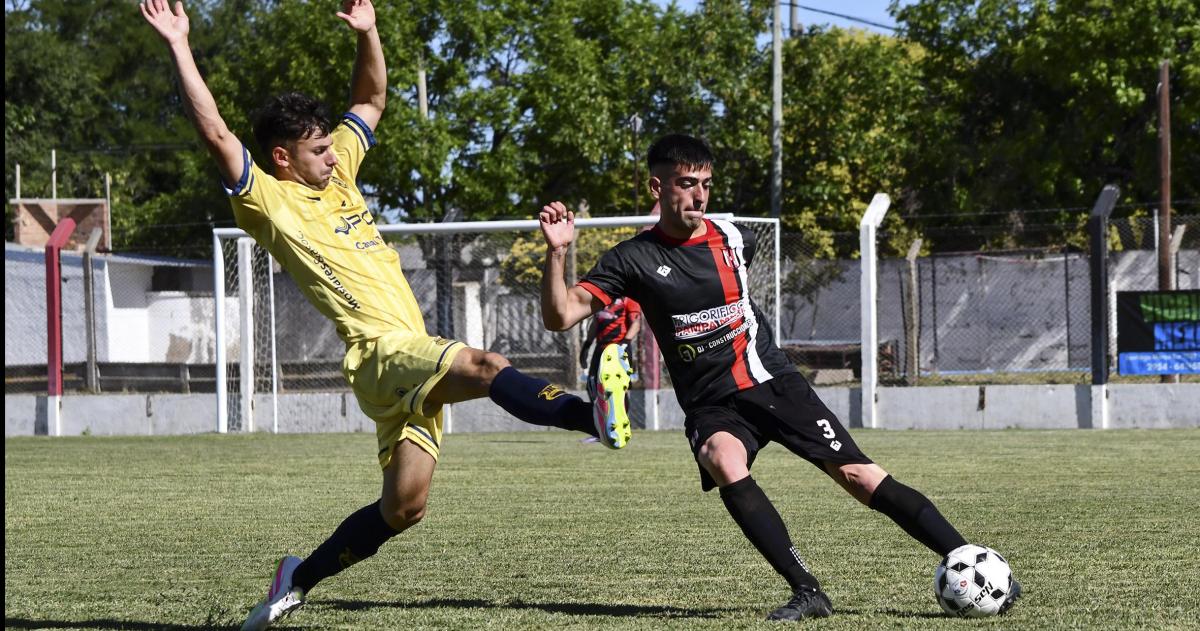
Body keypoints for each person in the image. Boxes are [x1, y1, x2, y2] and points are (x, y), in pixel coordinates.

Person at [139, 2, 628, 629]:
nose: (334, 157)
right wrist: (180, 43)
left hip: (409, 355)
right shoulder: (268, 199)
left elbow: (370, 101)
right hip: (379, 353)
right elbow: (215, 133)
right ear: (284, 158)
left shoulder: (336, 175)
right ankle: (597, 415)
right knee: (485, 364)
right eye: (318, 150)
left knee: (404, 509)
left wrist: (369, 32)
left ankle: (297, 577)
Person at [538, 133, 1021, 621]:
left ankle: (975, 561)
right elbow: (560, 317)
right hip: (711, 402)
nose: (699, 195)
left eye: (706, 183)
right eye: (687, 183)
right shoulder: (631, 259)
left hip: (769, 381)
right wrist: (557, 253)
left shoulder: (731, 238)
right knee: (719, 457)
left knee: (858, 476)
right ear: (656, 187)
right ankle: (808, 591)